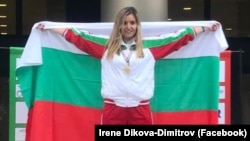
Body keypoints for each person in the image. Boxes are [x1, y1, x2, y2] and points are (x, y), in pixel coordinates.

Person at [37, 6, 220, 125]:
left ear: (137, 25)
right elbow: (79, 38)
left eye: (132, 23)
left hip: (140, 110)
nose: (129, 27)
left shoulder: (151, 47)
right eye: (125, 23)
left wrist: (204, 28)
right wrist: (50, 28)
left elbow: (178, 38)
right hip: (112, 109)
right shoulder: (106, 47)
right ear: (119, 25)